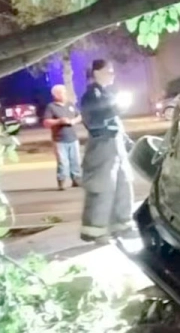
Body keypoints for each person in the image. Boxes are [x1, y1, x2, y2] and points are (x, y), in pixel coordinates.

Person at [79, 59, 136, 243]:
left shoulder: (105, 93)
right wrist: (117, 108)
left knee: (123, 184)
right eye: (109, 71)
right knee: (102, 187)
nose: (113, 75)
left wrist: (126, 141)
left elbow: (114, 121)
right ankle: (95, 231)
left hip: (114, 145)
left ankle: (123, 225)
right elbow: (96, 120)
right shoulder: (91, 95)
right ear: (96, 72)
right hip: (101, 146)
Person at [42, 85, 83, 190]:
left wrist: (73, 121)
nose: (64, 94)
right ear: (55, 94)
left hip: (73, 138)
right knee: (62, 162)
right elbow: (46, 122)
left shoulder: (70, 105)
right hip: (59, 140)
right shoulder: (51, 107)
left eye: (65, 92)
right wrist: (59, 121)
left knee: (75, 160)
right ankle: (61, 181)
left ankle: (76, 179)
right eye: (62, 92)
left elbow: (79, 116)